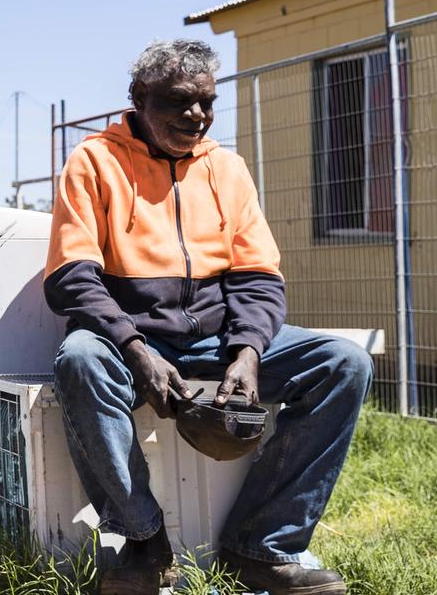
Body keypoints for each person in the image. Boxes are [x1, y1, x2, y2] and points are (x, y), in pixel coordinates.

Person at [45, 39, 372, 595]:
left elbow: (260, 277)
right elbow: (72, 277)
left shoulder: (228, 168)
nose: (196, 116)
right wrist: (134, 349)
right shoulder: (94, 160)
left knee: (345, 363)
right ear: (140, 97)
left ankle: (262, 547)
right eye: (178, 101)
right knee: (79, 358)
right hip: (129, 341)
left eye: (206, 103)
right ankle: (143, 542)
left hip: (218, 339)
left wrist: (247, 353)